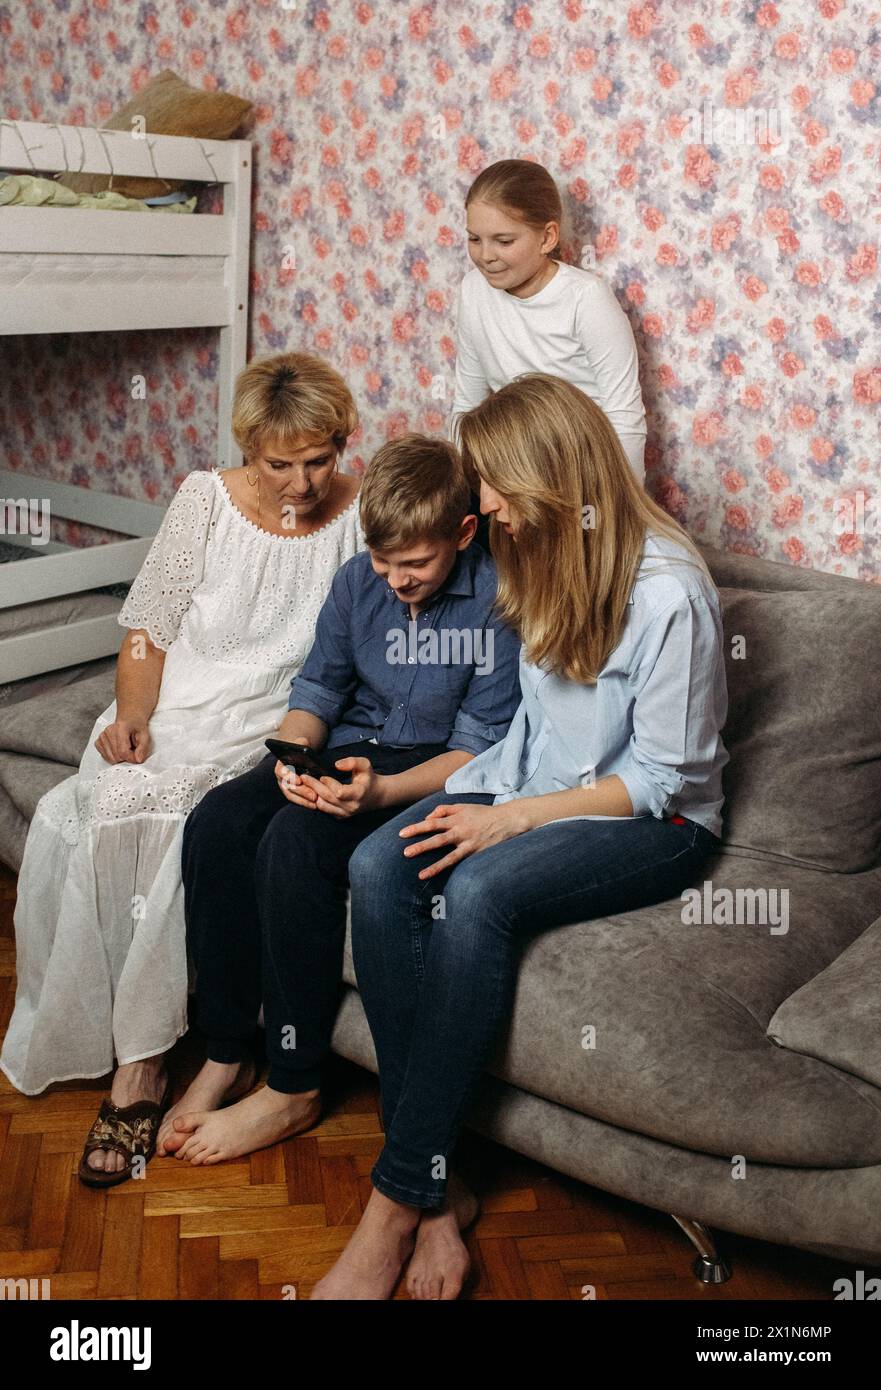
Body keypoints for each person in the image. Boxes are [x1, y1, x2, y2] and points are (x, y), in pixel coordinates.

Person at [313, 373, 729, 1300]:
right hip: (538, 785)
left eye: (494, 484)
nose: (484, 502)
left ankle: (391, 1207)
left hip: (650, 821)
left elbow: (664, 778)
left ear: (549, 477)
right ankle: (439, 1187)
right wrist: (449, 791)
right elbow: (531, 733)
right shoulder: (533, 549)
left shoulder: (672, 595)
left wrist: (507, 821)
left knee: (480, 890)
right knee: (381, 864)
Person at [0, 352, 365, 1189]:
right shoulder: (204, 499)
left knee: (186, 819)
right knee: (94, 805)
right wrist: (131, 716)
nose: (302, 482)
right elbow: (148, 629)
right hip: (180, 699)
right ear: (249, 448)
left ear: (342, 445)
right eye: (280, 463)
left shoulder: (360, 508)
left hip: (275, 716)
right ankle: (129, 1052)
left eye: (319, 459)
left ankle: (151, 1067)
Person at [156, 435, 522, 1166]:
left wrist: (381, 790)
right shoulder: (359, 582)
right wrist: (290, 759)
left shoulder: (496, 604)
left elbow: (480, 747)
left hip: (429, 770)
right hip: (345, 746)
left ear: (462, 532)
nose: (396, 580)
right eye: (383, 561)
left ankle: (293, 1083)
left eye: (414, 564)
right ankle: (227, 1050)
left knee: (295, 842)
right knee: (220, 820)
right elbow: (317, 690)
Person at [451, 158, 647, 485]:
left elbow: (625, 419)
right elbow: (466, 405)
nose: (485, 255)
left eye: (504, 241)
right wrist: (460, 493)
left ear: (547, 237)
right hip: (514, 477)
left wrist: (621, 514)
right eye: (474, 239)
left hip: (585, 475)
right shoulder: (472, 292)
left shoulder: (586, 299)